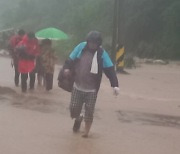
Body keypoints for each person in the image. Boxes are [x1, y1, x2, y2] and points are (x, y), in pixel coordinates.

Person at [61, 31, 119, 138]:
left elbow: (110, 69)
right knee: (73, 109)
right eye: (90, 42)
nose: (92, 45)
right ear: (87, 42)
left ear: (98, 44)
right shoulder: (81, 47)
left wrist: (115, 85)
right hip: (77, 85)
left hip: (92, 89)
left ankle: (86, 133)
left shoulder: (102, 54)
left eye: (94, 43)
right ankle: (78, 118)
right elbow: (70, 59)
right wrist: (67, 68)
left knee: (89, 112)